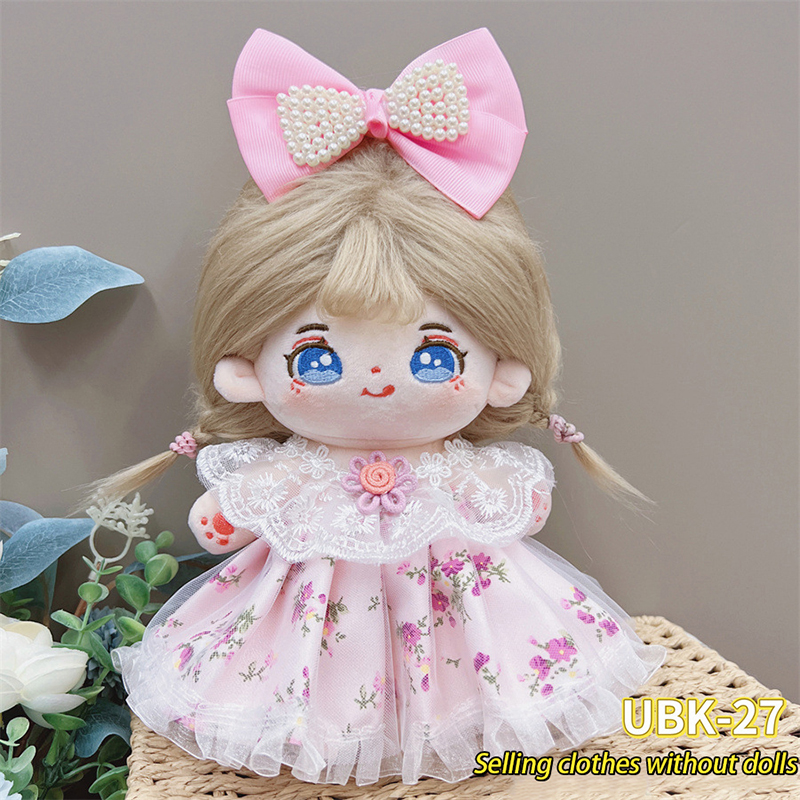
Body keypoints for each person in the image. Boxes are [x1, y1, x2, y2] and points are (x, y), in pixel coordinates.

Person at [108, 28, 664, 785]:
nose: (374, 383)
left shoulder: (454, 466)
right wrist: (231, 510)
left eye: (435, 358)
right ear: (246, 372)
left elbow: (520, 509)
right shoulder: (300, 468)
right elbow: (230, 519)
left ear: (501, 373)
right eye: (317, 358)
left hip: (467, 635)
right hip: (305, 643)